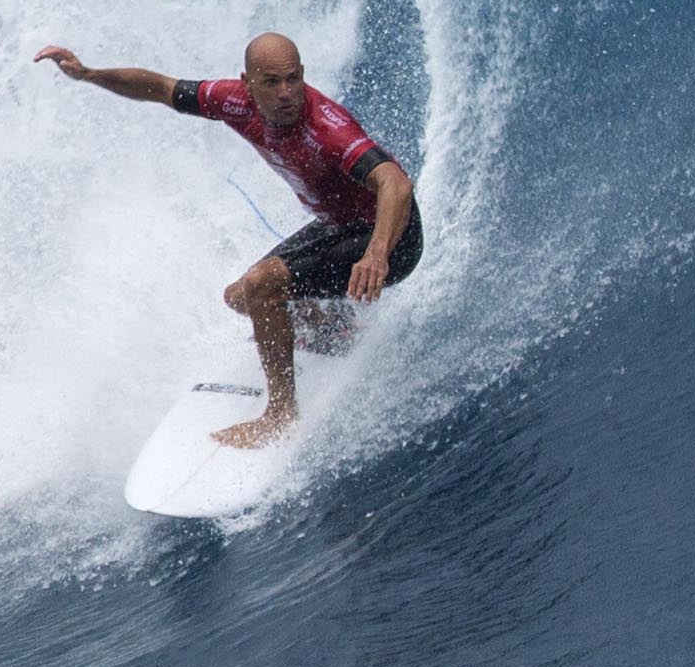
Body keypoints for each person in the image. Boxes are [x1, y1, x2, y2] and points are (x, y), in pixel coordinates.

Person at [34, 31, 414, 449]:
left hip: (390, 236)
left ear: (302, 75)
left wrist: (377, 254)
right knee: (241, 298)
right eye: (271, 82)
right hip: (338, 227)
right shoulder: (232, 101)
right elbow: (161, 88)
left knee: (262, 285)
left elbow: (394, 182)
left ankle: (280, 415)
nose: (286, 93)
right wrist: (87, 74)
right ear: (247, 82)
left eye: (293, 79)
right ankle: (335, 331)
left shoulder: (326, 127)